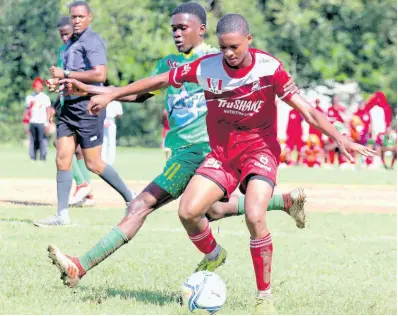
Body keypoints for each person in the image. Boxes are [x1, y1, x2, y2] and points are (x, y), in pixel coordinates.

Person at [74, 13, 375, 313]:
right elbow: (162, 80)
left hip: (260, 151)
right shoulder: (207, 66)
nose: (229, 54)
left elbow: (307, 111)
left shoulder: (270, 69)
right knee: (188, 211)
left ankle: (264, 297)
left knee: (255, 214)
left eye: (235, 47)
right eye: (223, 48)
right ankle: (214, 254)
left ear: (249, 40)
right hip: (222, 155)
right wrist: (113, 92)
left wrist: (340, 137)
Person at [46, 2, 306, 299]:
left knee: (140, 205)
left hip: (200, 150)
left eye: (183, 28)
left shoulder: (216, 58)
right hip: (183, 149)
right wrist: (93, 91)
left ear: (202, 30)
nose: (177, 34)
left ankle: (80, 265)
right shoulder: (168, 64)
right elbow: (142, 93)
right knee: (213, 210)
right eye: (173, 29)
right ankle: (283, 202)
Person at [33, 1, 134, 227]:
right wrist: (56, 93)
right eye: (73, 17)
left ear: (89, 17)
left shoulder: (92, 41)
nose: (76, 20)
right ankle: (62, 215)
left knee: (94, 163)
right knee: (62, 159)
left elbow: (99, 75)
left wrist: (66, 73)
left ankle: (132, 198)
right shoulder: (70, 44)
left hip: (88, 108)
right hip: (68, 109)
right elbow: (69, 80)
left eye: (80, 16)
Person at [55, 16, 94, 207]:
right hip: (66, 103)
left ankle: (83, 184)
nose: (64, 38)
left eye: (67, 34)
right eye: (61, 35)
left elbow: (90, 75)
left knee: (87, 155)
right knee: (74, 149)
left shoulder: (84, 48)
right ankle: (86, 193)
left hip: (82, 105)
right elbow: (61, 80)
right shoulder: (62, 51)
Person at [24, 77, 51, 161]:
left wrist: (48, 123)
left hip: (42, 122)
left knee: (42, 140)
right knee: (33, 140)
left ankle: (43, 157)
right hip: (32, 122)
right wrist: (25, 124)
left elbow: (48, 111)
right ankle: (33, 157)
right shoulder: (29, 97)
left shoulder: (45, 97)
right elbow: (26, 112)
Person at [101, 100, 123, 165]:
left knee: (111, 143)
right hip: (102, 121)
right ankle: (103, 161)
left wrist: (116, 112)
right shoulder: (103, 100)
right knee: (103, 143)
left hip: (111, 121)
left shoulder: (116, 103)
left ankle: (110, 162)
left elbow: (120, 115)